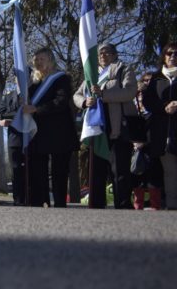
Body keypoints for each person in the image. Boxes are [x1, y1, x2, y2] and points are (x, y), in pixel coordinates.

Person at [73, 43, 138, 209]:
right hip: (97, 128)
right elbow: (77, 95)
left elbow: (130, 92)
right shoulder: (92, 74)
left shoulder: (124, 69)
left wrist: (104, 94)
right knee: (96, 171)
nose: (103, 55)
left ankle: (122, 206)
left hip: (117, 127)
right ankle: (96, 205)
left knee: (119, 171)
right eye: (100, 53)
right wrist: (84, 102)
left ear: (114, 54)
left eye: (107, 52)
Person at [21, 47, 77, 207]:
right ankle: (41, 201)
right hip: (39, 132)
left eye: (42, 59)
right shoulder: (33, 83)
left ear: (51, 60)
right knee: (38, 170)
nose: (38, 62)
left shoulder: (62, 78)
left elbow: (61, 101)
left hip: (59, 132)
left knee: (59, 171)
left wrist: (37, 109)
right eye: (36, 60)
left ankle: (60, 204)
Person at [142, 43, 177, 210]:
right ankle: (172, 207)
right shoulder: (156, 78)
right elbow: (148, 102)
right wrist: (164, 107)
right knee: (169, 173)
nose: (173, 56)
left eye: (176, 54)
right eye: (169, 53)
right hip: (162, 134)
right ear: (164, 56)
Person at [131, 72, 162, 209]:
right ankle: (138, 205)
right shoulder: (134, 101)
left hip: (152, 144)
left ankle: (156, 206)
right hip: (135, 146)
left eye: (150, 80)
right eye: (145, 80)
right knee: (137, 177)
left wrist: (146, 141)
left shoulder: (156, 99)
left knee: (153, 178)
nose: (147, 83)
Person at [0, 90, 25, 206]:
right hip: (15, 138)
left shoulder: (34, 92)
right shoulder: (8, 96)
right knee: (16, 169)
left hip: (32, 136)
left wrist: (12, 117)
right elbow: (0, 114)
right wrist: (1, 121)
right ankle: (18, 199)